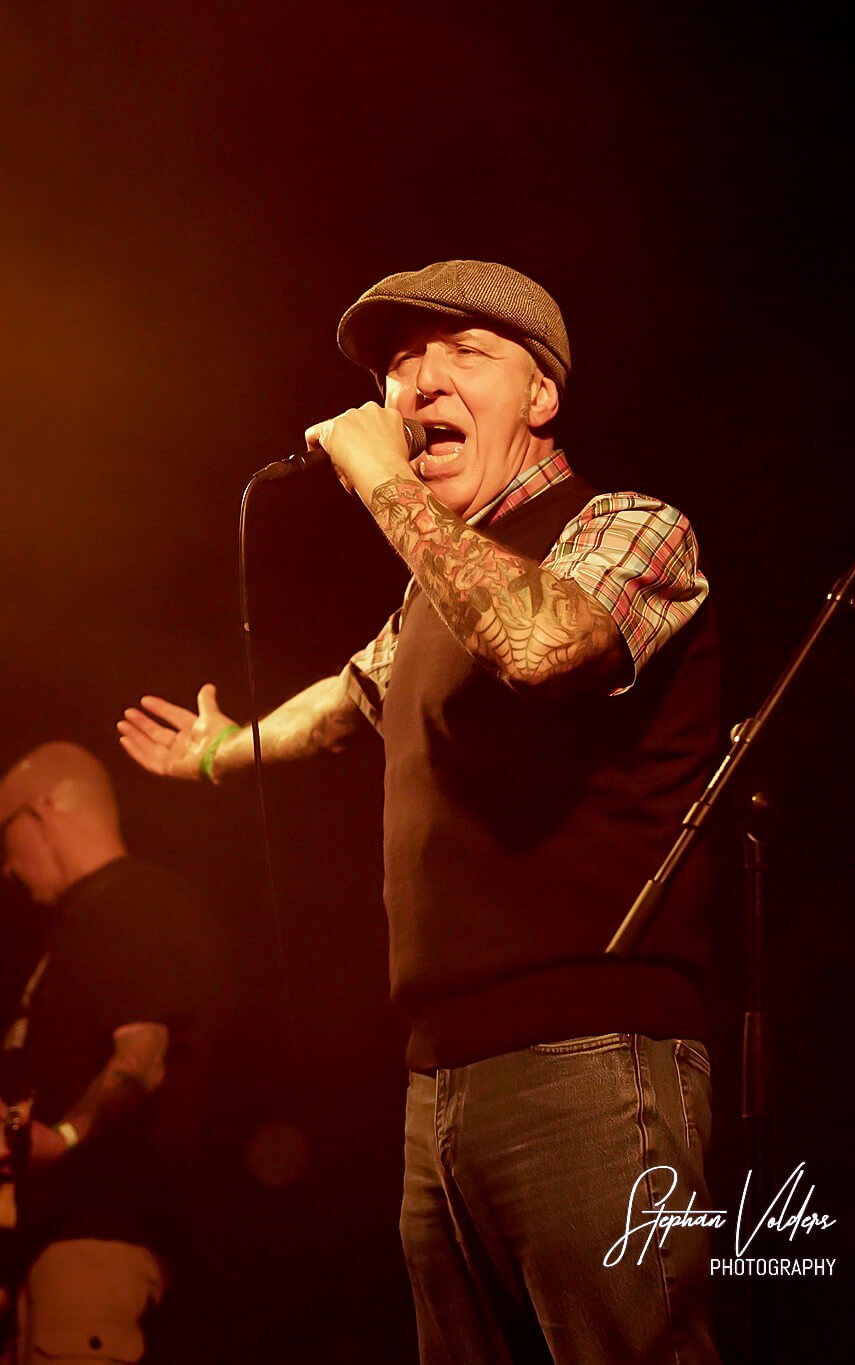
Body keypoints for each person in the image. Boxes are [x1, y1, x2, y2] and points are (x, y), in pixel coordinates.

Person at [119, 259, 722, 1363]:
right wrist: (219, 753)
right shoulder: (435, 591)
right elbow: (347, 700)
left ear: (542, 395)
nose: (420, 382)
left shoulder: (627, 524)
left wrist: (385, 489)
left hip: (593, 1055)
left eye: (464, 353)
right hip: (440, 1073)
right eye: (401, 363)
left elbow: (540, 643)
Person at [0, 742, 225, 1364]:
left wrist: (64, 1137)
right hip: (52, 1252)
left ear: (41, 813)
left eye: (4, 839)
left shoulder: (134, 904)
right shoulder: (82, 923)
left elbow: (142, 1059)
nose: (7, 868)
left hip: (98, 1246)